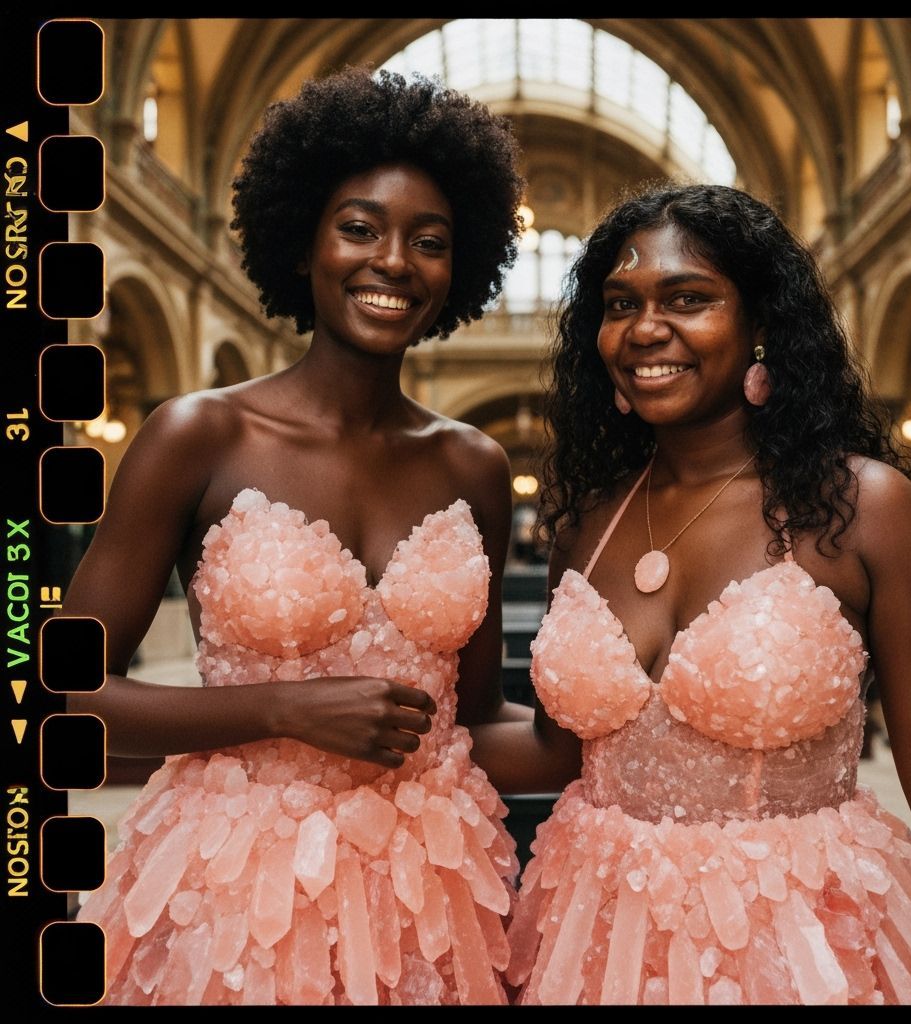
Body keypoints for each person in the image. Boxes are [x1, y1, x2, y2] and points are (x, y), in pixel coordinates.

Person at [69, 68, 529, 1005]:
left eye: (429, 242)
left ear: (463, 265)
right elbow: (64, 696)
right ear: (305, 239)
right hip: (236, 888)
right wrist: (283, 710)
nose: (393, 261)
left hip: (433, 887)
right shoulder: (198, 435)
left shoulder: (474, 465)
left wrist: (644, 731)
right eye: (359, 227)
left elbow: (471, 721)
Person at [503, 184, 911, 1005]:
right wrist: (338, 722)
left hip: (804, 946)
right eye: (620, 304)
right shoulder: (587, 521)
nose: (646, 329)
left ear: (760, 325)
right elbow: (555, 747)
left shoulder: (865, 508)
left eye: (688, 298)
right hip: (596, 938)